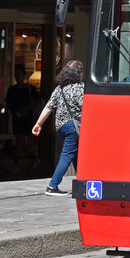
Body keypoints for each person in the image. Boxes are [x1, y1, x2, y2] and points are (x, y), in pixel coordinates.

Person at [32, 60, 84, 195]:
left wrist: (38, 124)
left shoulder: (59, 89)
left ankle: (83, 181)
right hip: (74, 127)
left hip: (61, 127)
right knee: (67, 155)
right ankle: (52, 186)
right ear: (78, 73)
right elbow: (87, 108)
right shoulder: (80, 88)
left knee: (75, 153)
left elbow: (48, 107)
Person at [5, 64, 39, 167]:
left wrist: (26, 109)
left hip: (26, 118)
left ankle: (15, 164)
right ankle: (33, 158)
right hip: (16, 118)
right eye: (15, 74)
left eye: (19, 74)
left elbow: (37, 101)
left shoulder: (30, 89)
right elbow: (8, 103)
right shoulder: (12, 89)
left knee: (21, 140)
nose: (17, 76)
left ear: (24, 75)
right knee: (20, 141)